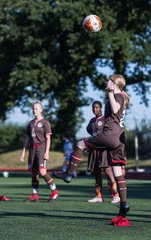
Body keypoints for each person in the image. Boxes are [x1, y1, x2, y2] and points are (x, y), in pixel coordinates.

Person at [53, 74, 131, 227]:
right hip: (119, 138)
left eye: (109, 80)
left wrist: (110, 92)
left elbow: (115, 109)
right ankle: (123, 205)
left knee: (81, 144)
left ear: (114, 83)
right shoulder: (121, 95)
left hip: (110, 135)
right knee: (117, 173)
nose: (106, 81)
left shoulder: (117, 95)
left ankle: (68, 174)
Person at [19, 101, 59, 202]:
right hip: (32, 149)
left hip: (41, 148)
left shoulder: (45, 122)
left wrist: (47, 152)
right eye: (33, 108)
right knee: (34, 173)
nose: (34, 110)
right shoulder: (30, 123)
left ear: (41, 110)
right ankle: (34, 194)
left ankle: (54, 191)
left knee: (42, 171)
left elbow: (48, 138)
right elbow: (27, 139)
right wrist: (23, 152)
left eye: (36, 109)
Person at [86, 100, 120, 204]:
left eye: (96, 107)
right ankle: (99, 195)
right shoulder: (92, 120)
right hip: (94, 149)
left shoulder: (105, 119)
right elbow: (89, 130)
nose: (95, 109)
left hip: (103, 148)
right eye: (93, 107)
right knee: (96, 172)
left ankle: (115, 194)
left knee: (107, 170)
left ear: (100, 108)